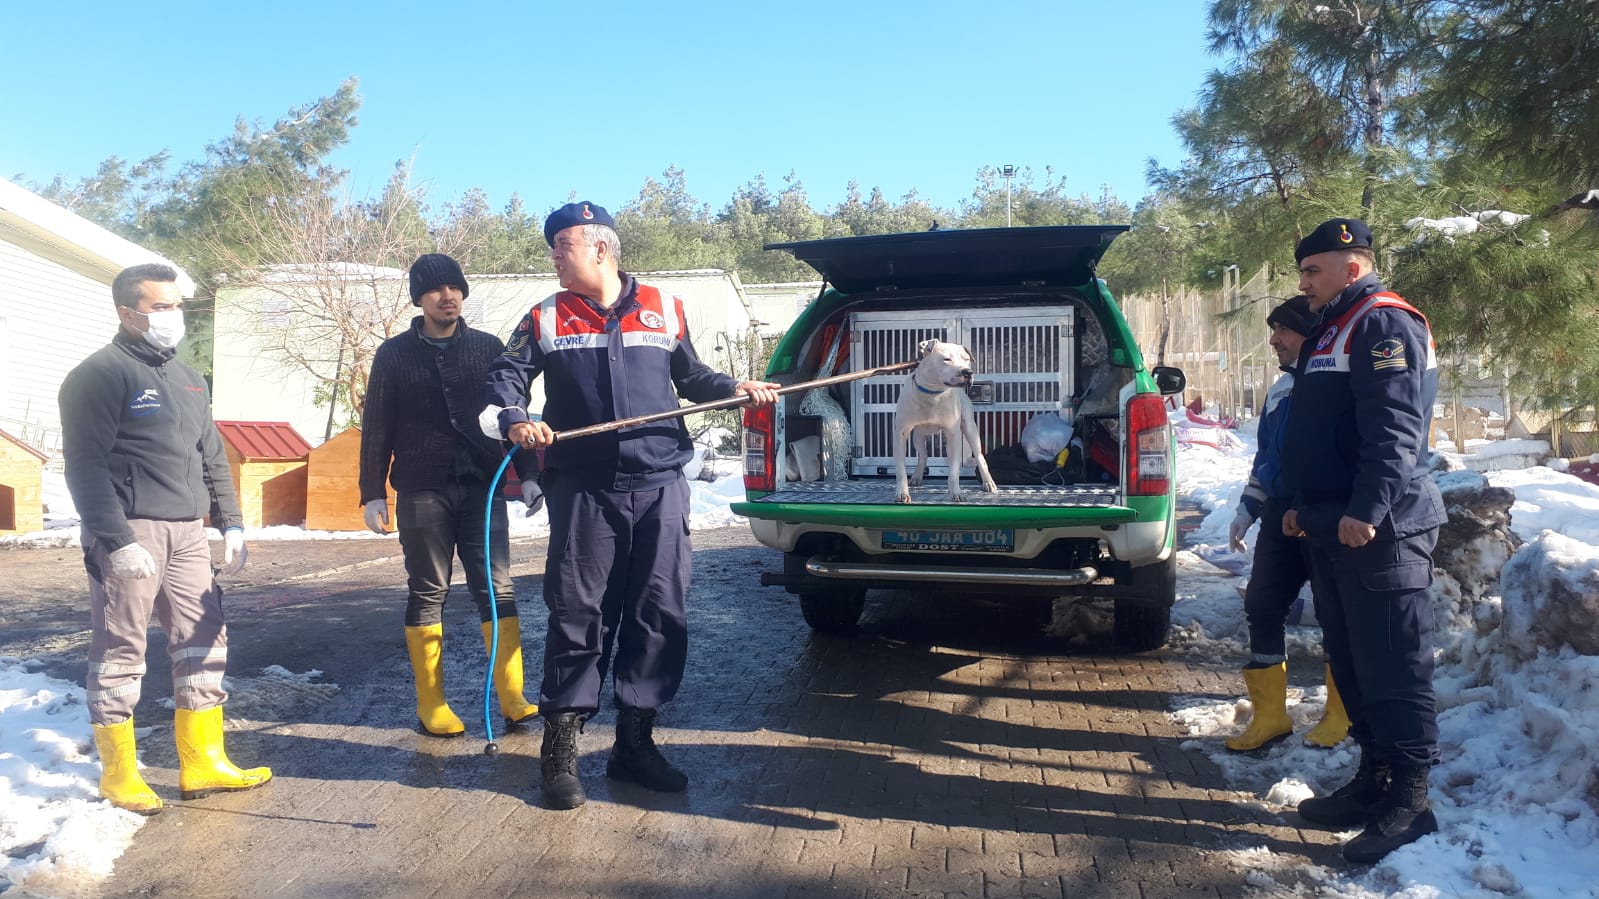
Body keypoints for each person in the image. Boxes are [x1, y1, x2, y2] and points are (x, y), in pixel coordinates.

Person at [485, 201, 779, 810]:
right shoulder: (544, 316)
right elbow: (506, 380)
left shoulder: (665, 307)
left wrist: (733, 389)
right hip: (585, 489)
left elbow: (692, 377)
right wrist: (516, 420)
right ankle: (560, 753)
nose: (554, 256)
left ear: (600, 247)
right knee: (577, 612)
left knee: (657, 610)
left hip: (660, 486)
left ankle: (634, 744)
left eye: (561, 244)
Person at [59, 263, 270, 814]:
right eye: (160, 307)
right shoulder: (98, 375)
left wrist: (232, 522)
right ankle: (119, 774)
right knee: (120, 649)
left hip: (188, 533)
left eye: (177, 306)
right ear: (128, 313)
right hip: (130, 531)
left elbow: (214, 457)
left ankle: (202, 762)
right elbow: (84, 467)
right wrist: (116, 539)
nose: (173, 317)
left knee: (204, 640)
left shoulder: (189, 377)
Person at [1280, 218, 1446, 863]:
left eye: (1313, 270)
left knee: (1393, 667)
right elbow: (1320, 428)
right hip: (1333, 523)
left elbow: (1394, 428)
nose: (1304, 283)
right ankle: (1373, 781)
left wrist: (1368, 508)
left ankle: (1410, 802)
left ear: (1352, 266)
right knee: (1351, 663)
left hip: (1381, 526)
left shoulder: (1383, 321)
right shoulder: (1334, 323)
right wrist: (1302, 506)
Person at [359, 253, 541, 738]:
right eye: (437, 290)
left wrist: (528, 474)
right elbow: (376, 426)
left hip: (482, 487)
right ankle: (432, 705)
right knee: (428, 590)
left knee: (497, 587)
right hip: (422, 488)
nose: (449, 297)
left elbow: (512, 412)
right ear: (419, 298)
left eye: (455, 288)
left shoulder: (487, 348)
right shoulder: (393, 355)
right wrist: (371, 491)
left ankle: (512, 695)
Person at [1223, 296, 1352, 753]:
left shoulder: (1338, 385)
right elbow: (1266, 458)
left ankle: (1340, 715)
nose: (1274, 340)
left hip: (1323, 511)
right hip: (1279, 512)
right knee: (1262, 604)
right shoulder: (1278, 391)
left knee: (1336, 613)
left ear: (1312, 334)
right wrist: (1248, 508)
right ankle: (1271, 717)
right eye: (1273, 330)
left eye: (1284, 331)